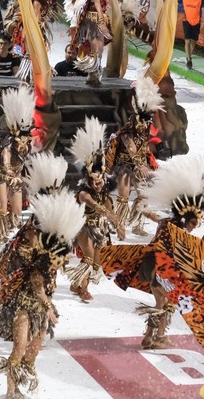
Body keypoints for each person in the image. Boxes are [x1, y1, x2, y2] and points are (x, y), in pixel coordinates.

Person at [0, 191, 84, 399]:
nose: (61, 264)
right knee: (20, 348)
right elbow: (36, 282)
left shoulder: (52, 248)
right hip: (22, 305)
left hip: (40, 308)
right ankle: (11, 391)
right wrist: (48, 306)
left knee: (32, 352)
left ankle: (19, 380)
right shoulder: (35, 252)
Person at [99, 155, 204, 350]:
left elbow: (154, 217)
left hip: (152, 271)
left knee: (160, 305)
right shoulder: (178, 233)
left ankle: (148, 337)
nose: (196, 226)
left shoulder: (167, 223)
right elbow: (196, 251)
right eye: (195, 223)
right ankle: (159, 337)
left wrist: (143, 209)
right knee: (167, 304)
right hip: (161, 274)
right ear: (188, 219)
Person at [65, 117, 124, 302]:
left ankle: (76, 284)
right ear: (89, 180)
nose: (98, 185)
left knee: (98, 263)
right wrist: (111, 218)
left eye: (101, 181)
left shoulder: (104, 192)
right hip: (83, 227)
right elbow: (96, 206)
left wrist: (118, 225)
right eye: (95, 182)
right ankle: (83, 289)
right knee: (89, 258)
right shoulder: (84, 194)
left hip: (99, 229)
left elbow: (109, 210)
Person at [106, 78, 164, 236]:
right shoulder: (127, 131)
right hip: (124, 166)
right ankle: (118, 225)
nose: (143, 125)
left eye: (146, 123)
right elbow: (131, 148)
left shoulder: (145, 129)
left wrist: (146, 162)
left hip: (139, 166)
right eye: (141, 122)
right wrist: (140, 165)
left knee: (143, 195)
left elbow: (143, 147)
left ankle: (137, 225)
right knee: (123, 196)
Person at [0, 87, 36, 244]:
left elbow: (23, 166)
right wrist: (14, 175)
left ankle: (10, 231)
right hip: (2, 179)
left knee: (17, 211)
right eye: (21, 139)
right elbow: (5, 165)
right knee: (3, 208)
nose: (23, 143)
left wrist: (26, 178)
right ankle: (1, 235)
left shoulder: (27, 147)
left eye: (26, 139)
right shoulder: (8, 147)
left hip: (15, 180)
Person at [181, 0, 204, 69]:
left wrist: (203, 21)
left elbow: (203, 9)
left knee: (193, 41)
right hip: (186, 20)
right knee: (187, 41)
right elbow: (175, 2)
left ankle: (188, 55)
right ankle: (189, 59)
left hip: (196, 22)